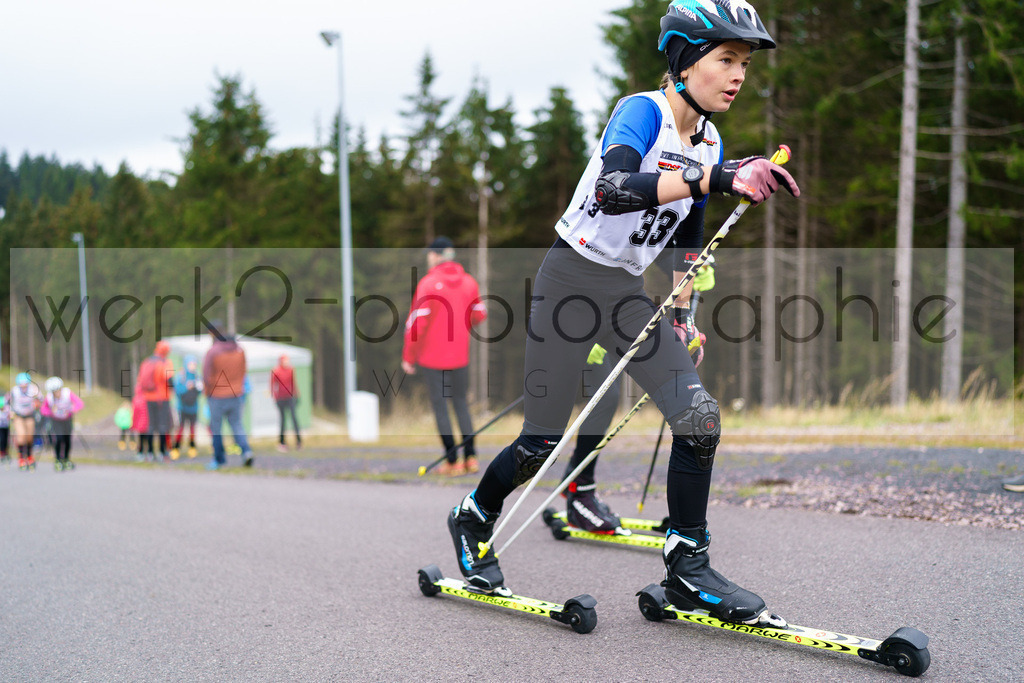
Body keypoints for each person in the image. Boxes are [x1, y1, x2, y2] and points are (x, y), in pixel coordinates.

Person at [446, 0, 798, 627]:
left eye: (744, 64)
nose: (739, 75)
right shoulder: (643, 111)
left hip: (629, 294)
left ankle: (688, 567)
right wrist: (715, 179)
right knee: (540, 443)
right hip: (569, 284)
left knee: (698, 417)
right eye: (726, 60)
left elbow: (688, 232)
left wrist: (684, 312)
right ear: (685, 59)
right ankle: (474, 515)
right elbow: (612, 192)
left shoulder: (710, 138)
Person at [559, 258, 715, 532]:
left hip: (620, 312)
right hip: (584, 307)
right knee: (605, 399)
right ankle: (579, 488)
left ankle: (683, 517)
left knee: (687, 403)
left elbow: (663, 252)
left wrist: (693, 270)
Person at [402, 236, 488, 476]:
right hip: (460, 357)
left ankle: (452, 461)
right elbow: (480, 314)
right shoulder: (469, 282)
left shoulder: (428, 284)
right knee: (461, 405)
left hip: (432, 359)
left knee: (441, 408)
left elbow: (416, 325)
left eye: (430, 254)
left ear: (436, 255)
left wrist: (409, 356)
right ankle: (471, 458)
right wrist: (461, 328)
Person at [202, 319, 253, 469]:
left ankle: (219, 459)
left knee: (216, 428)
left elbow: (206, 375)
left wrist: (208, 391)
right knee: (237, 425)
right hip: (236, 393)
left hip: (217, 395)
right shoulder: (239, 350)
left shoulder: (213, 352)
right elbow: (244, 370)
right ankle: (247, 451)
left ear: (212, 333)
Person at [137, 340, 175, 462]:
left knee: (151, 425)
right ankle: (163, 452)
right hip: (162, 398)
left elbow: (140, 380)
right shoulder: (165, 363)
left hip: (149, 397)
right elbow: (169, 379)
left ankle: (150, 452)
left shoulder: (147, 362)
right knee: (163, 425)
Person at [41, 376, 84, 471]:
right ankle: (58, 460)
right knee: (58, 439)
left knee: (67, 440)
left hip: (67, 419)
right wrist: (51, 412)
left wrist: (71, 410)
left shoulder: (67, 393)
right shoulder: (49, 397)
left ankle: (66, 459)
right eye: (54, 391)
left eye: (58, 390)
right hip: (56, 421)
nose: (57, 393)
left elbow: (79, 404)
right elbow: (43, 410)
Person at [8, 372, 42, 470]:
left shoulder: (33, 389)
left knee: (29, 438)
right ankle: (22, 458)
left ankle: (30, 456)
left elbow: (40, 399)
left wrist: (37, 404)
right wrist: (10, 411)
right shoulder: (14, 391)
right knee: (21, 437)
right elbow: (7, 402)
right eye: (21, 385)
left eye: (25, 385)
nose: (23, 387)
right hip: (19, 416)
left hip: (30, 416)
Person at [171, 355, 202, 459]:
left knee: (192, 428)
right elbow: (177, 391)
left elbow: (200, 391)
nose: (192, 366)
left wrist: (197, 387)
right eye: (190, 364)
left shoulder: (197, 376)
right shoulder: (181, 376)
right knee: (180, 428)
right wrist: (187, 387)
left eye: (194, 364)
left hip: (194, 407)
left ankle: (192, 447)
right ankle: (176, 447)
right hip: (182, 408)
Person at [271, 354, 302, 452]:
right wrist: (275, 397)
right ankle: (282, 443)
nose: (286, 362)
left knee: (294, 418)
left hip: (290, 397)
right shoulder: (276, 371)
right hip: (280, 398)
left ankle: (299, 442)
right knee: (282, 420)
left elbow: (294, 383)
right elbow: (272, 385)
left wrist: (297, 394)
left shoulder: (291, 370)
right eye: (285, 361)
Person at [131, 389, 154, 462]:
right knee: (149, 440)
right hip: (149, 423)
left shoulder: (136, 399)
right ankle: (150, 453)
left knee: (141, 440)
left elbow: (135, 413)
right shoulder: (150, 398)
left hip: (141, 424)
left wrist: (133, 424)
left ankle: (141, 453)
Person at [0, 396, 10, 467]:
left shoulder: (7, 409)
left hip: (6, 427)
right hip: (0, 427)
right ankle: (2, 452)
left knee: (6, 440)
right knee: (1, 440)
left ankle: (5, 452)